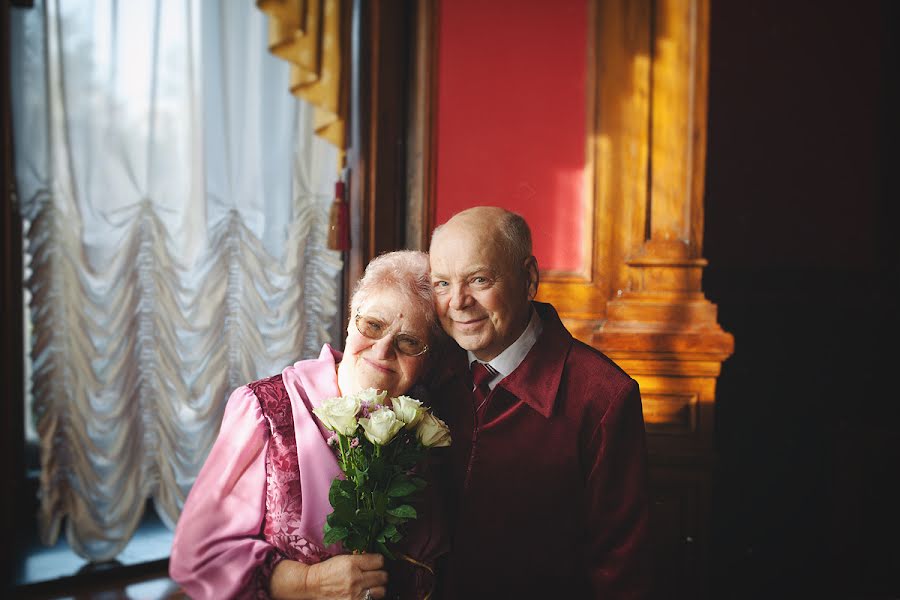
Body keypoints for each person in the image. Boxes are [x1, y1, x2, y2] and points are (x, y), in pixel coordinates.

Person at [170, 250, 449, 600]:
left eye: (409, 342)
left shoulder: (424, 428)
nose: (382, 350)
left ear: (426, 358)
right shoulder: (264, 410)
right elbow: (200, 556)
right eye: (373, 326)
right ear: (350, 321)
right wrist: (307, 583)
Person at [428, 206, 652, 598]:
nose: (458, 302)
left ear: (529, 278)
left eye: (479, 280)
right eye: (442, 284)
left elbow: (621, 567)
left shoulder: (602, 395)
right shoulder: (427, 371)